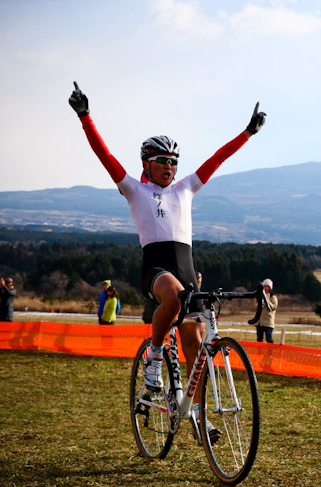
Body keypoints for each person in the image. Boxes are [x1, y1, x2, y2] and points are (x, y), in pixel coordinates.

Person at [69, 82, 266, 393]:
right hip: (156, 269)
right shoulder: (135, 190)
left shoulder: (185, 188)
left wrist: (247, 133)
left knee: (197, 347)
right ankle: (155, 356)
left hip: (187, 269)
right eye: (162, 160)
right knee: (173, 298)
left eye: (174, 161)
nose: (169, 166)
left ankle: (197, 413)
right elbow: (104, 155)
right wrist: (85, 116)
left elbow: (217, 159)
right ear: (147, 162)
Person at [254, 278, 278, 343]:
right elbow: (254, 307)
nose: (266, 288)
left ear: (270, 288)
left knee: (269, 339)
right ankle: (259, 353)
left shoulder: (273, 298)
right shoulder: (259, 296)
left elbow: (274, 307)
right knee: (259, 340)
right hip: (259, 322)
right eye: (264, 286)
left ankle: (270, 353)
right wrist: (260, 303)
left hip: (269, 322)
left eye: (268, 286)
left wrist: (267, 301)